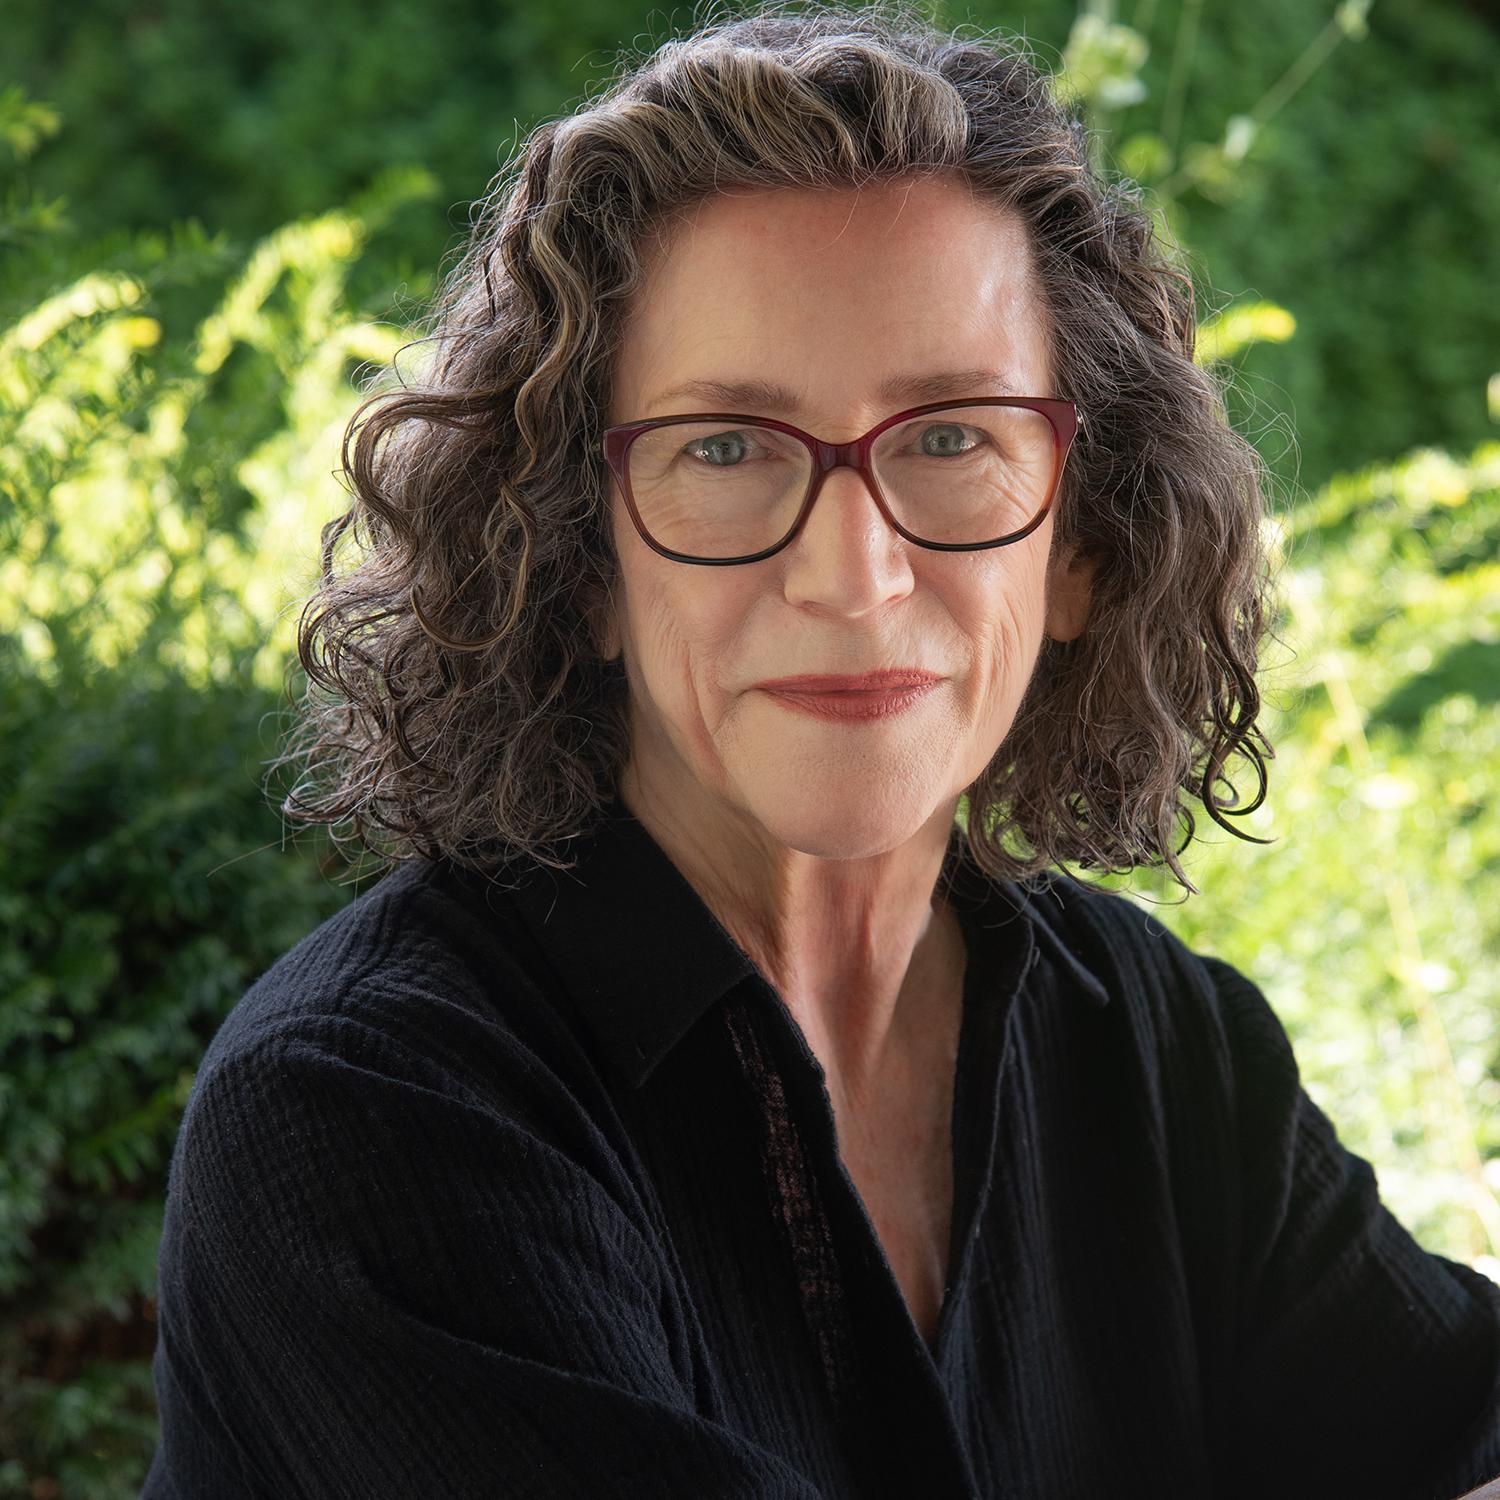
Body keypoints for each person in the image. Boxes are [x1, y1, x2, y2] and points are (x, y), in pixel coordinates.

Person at [140, 2, 1500, 1496]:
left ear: (1082, 547)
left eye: (951, 436)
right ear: (577, 562)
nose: (853, 577)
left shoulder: (1158, 1043)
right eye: (724, 448)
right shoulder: (366, 1113)